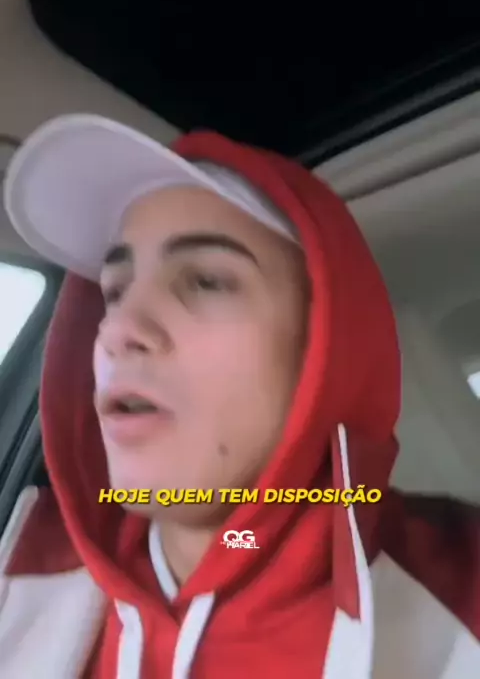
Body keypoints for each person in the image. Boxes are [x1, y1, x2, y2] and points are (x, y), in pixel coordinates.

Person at [0, 113, 479, 679]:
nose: (119, 329)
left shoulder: (460, 597)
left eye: (206, 280)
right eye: (115, 291)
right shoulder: (20, 555)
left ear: (326, 350)